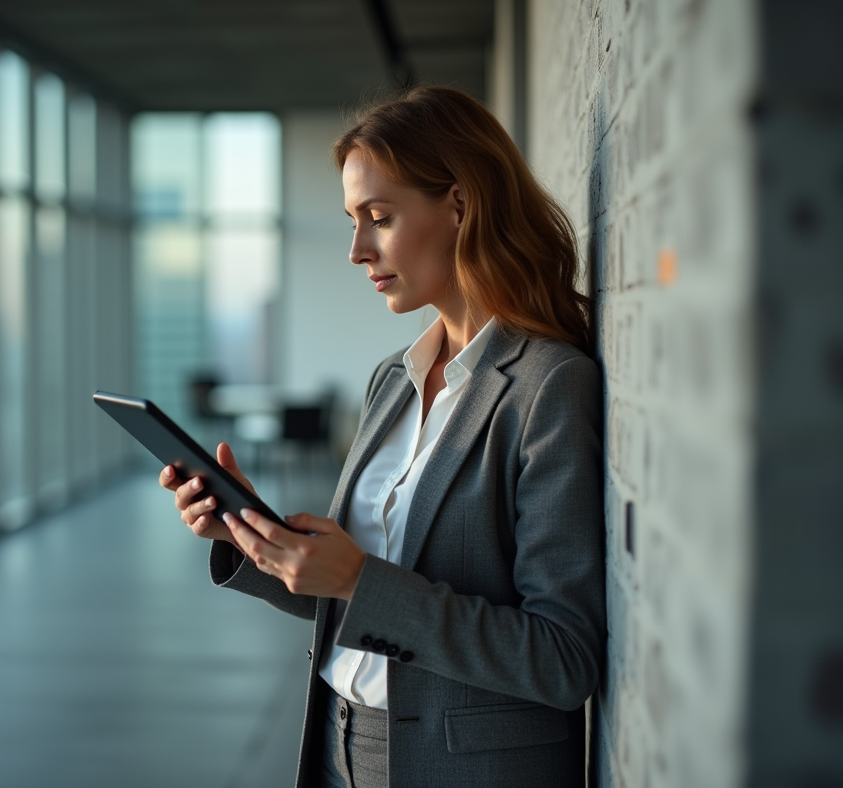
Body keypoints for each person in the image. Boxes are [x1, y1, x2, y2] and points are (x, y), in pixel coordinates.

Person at [159, 86, 605, 788]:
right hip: (338, 749)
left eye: (379, 217)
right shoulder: (390, 382)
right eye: (352, 220)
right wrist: (250, 534)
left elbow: (562, 657)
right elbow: (352, 601)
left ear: (459, 205)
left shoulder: (549, 386)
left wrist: (362, 580)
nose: (357, 250)